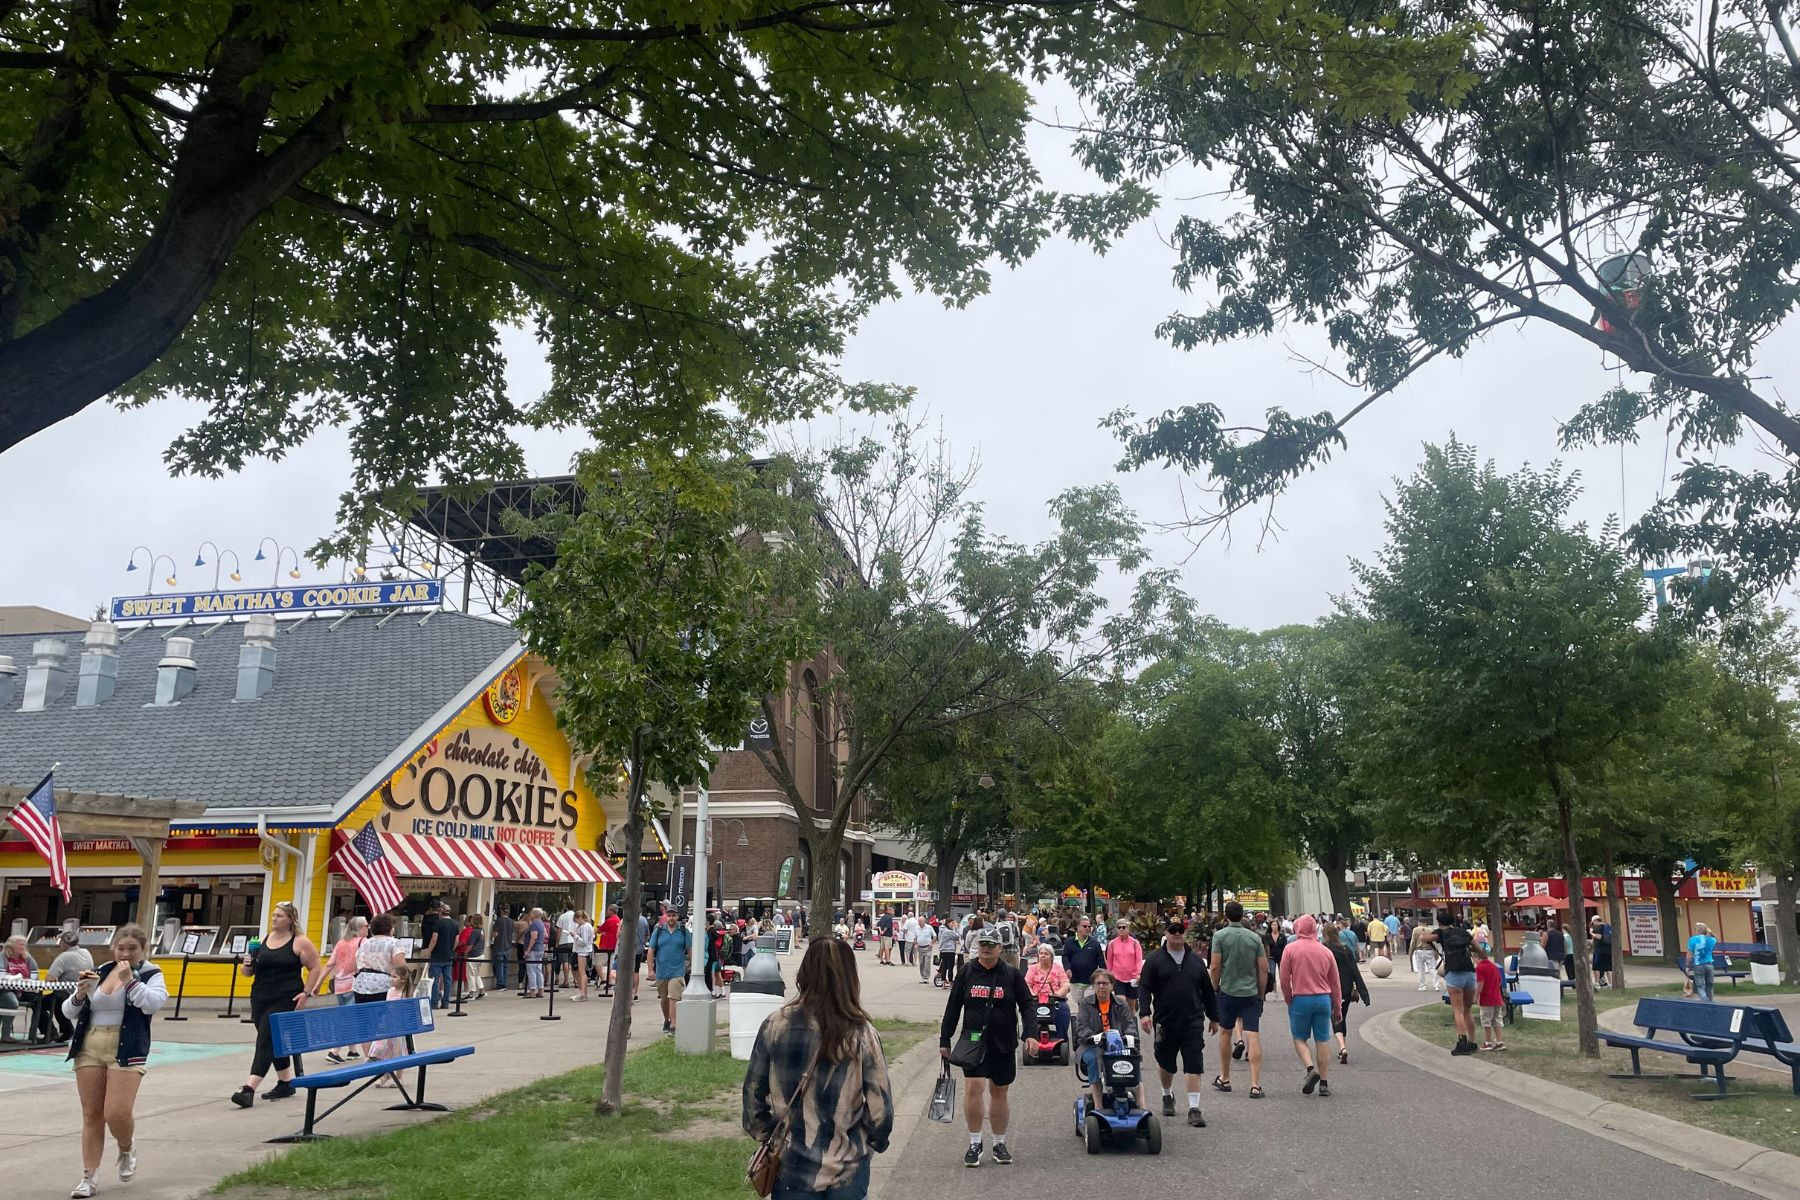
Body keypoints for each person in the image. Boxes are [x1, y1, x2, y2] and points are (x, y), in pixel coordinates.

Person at [743, 937, 893, 1200]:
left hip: (791, 1168)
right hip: (847, 1168)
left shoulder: (775, 1025)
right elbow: (880, 1111)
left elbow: (753, 1097)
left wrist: (770, 1135)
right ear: (848, 977)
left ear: (804, 973)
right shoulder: (862, 1033)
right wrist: (869, 1142)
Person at [62, 925, 167, 1198]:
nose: (126, 953)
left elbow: (153, 1004)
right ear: (113, 948)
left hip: (126, 1046)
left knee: (117, 1112)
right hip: (90, 1044)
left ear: (143, 949)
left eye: (132, 948)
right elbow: (69, 1011)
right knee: (92, 1114)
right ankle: (89, 1177)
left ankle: (126, 1146)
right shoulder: (100, 970)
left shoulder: (150, 974)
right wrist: (79, 994)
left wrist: (131, 980)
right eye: (121, 948)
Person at [939, 928, 1030, 1168]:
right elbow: (953, 1006)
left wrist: (1030, 1034)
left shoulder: (1011, 974)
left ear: (1000, 948)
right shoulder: (967, 972)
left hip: (1003, 1042)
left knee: (999, 1091)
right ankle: (975, 1142)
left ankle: (999, 1143)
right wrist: (944, 1039)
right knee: (973, 1088)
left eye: (991, 943)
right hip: (974, 1042)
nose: (986, 947)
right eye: (982, 943)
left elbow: (1027, 1005)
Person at [230, 901, 323, 1109]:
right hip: (261, 995)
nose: (274, 919)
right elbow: (248, 973)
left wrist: (306, 992)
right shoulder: (264, 940)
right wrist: (247, 965)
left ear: (290, 919)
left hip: (286, 996)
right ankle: (285, 1082)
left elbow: (315, 967)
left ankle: (249, 1089)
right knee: (272, 1041)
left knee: (266, 1037)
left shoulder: (300, 942)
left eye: (279, 916)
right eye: (273, 915)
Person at [1138, 919, 1219, 1128]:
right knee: (1166, 1063)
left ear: (1185, 933)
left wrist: (1214, 1017)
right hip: (1165, 1021)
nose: (1177, 934)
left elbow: (1208, 991)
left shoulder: (1196, 962)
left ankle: (1194, 1108)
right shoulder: (1155, 959)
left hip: (1192, 1020)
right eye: (1172, 930)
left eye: (1180, 931)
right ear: (1166, 933)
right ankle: (1167, 1095)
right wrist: (1145, 1013)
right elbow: (1144, 987)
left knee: (1193, 1062)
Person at [1209, 901, 1269, 1099]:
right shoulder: (1254, 938)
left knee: (1226, 1033)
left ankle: (1225, 1078)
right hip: (1250, 992)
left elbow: (1215, 966)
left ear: (1225, 916)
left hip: (1228, 991)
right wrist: (1261, 993)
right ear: (1243, 915)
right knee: (1253, 1035)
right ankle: (1254, 1084)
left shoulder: (1220, 936)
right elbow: (1262, 968)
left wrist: (1214, 988)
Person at [1277, 914, 1341, 1097]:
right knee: (1322, 1039)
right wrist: (1337, 1007)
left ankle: (1310, 1068)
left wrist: (1289, 998)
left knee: (1299, 1037)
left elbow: (1283, 978)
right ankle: (1324, 1083)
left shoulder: (1290, 949)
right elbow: (1335, 983)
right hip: (1323, 999)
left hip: (1301, 998)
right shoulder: (1325, 951)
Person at [1072, 967, 1143, 1116]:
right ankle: (1098, 1107)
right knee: (1095, 1059)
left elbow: (1129, 1025)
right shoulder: (1085, 1004)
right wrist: (1094, 1036)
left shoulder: (1121, 1004)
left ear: (1112, 985)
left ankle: (1142, 1105)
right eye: (1098, 983)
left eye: (1105, 983)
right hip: (1092, 1045)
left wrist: (1129, 1036)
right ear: (1093, 986)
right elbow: (1082, 1027)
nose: (1101, 986)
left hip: (1118, 1044)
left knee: (1133, 1060)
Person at [320, 916, 366, 1064]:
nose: (368, 928)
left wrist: (317, 984)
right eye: (365, 926)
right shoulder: (362, 942)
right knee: (350, 1019)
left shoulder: (340, 943)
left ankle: (352, 1050)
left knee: (347, 1016)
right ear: (358, 929)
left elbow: (329, 965)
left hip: (339, 984)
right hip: (354, 984)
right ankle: (334, 1050)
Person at [1435, 909, 1480, 1055]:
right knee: (1467, 1010)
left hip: (1454, 972)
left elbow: (1424, 938)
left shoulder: (1441, 933)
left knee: (1458, 1010)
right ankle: (1472, 1042)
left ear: (1439, 921)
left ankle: (1462, 1041)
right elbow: (1478, 949)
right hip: (1469, 972)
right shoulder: (1463, 932)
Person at [38, 930, 94, 1044]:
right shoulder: (86, 952)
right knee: (58, 1003)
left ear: (63, 942)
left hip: (66, 993)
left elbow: (49, 979)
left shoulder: (63, 956)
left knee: (38, 1003)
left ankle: (50, 1032)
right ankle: (67, 1030)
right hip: (83, 992)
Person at [1325, 922, 1370, 1065]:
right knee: (1342, 1016)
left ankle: (1342, 1047)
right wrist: (1363, 993)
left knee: (1334, 1017)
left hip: (1328, 988)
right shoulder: (1345, 949)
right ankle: (1342, 1046)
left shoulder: (1324, 949)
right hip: (1345, 987)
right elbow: (1354, 971)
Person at [352, 914, 408, 1007]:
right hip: (383, 985)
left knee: (364, 1018)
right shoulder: (394, 943)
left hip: (360, 985)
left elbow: (356, 965)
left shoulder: (365, 943)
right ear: (390, 928)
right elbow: (401, 969)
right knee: (381, 1017)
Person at [650, 908, 690, 1036]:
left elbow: (690, 950)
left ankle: (674, 1024)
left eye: (674, 915)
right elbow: (651, 951)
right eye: (669, 915)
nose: (671, 918)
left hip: (677, 970)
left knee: (674, 997)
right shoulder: (659, 931)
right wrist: (650, 970)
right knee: (664, 999)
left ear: (678, 916)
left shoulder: (684, 931)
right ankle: (667, 1019)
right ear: (665, 916)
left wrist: (692, 967)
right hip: (662, 970)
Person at [1024, 942, 1072, 1047]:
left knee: (1063, 1010)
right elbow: (1026, 984)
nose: (1043, 955)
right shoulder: (1033, 968)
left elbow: (1065, 985)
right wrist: (1032, 994)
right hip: (1036, 999)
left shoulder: (1058, 968)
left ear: (1051, 956)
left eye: (1046, 953)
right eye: (1041, 953)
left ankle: (1061, 1039)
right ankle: (1029, 1037)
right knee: (1026, 1011)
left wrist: (1057, 994)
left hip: (1054, 999)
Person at [423, 903, 460, 1010]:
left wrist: (429, 951)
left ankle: (434, 1002)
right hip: (448, 955)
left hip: (437, 955)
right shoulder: (455, 923)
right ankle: (446, 1002)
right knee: (447, 979)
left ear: (440, 912)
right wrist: (451, 950)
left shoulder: (438, 923)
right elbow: (457, 940)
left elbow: (434, 939)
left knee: (435, 979)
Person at [0, 934, 35, 1042]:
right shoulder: (3, 956)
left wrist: (31, 980)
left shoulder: (27, 957)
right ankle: (6, 1034)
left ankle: (36, 1035)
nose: (23, 947)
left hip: (22, 990)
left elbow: (35, 971)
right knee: (11, 1002)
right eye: (20, 944)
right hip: (4, 989)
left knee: (39, 1001)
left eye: (24, 944)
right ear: (11, 945)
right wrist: (14, 978)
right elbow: (1, 975)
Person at [1064, 915, 1103, 1005]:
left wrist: (1103, 976)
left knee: (1088, 1004)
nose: (1087, 928)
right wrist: (1067, 968)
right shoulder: (1069, 942)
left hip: (1090, 981)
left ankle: (1087, 1019)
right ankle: (1083, 1018)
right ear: (1078, 927)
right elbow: (1065, 957)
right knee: (1079, 1003)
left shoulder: (1095, 943)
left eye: (1089, 926)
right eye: (1085, 926)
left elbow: (1101, 961)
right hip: (1075, 980)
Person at [1475, 944, 1507, 1050]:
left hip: (1486, 999)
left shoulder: (1479, 968)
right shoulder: (1493, 966)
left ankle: (1487, 1042)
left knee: (1486, 1020)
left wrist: (1476, 996)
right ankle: (1499, 1041)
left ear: (1476, 957)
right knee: (1497, 1019)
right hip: (1497, 997)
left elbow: (1480, 983)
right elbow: (1499, 981)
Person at [1105, 917, 1144, 1003]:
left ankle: (1132, 1016)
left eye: (1123, 927)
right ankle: (1122, 1016)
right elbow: (1109, 961)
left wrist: (1139, 974)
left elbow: (1139, 960)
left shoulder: (1134, 943)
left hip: (1132, 978)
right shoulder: (1112, 943)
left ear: (1128, 928)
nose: (1121, 929)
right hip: (1117, 978)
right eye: (1119, 927)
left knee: (1131, 1003)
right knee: (1121, 1002)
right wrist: (1109, 975)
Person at [1688, 921, 1719, 1002]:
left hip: (1698, 965)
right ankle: (1711, 1002)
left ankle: (1705, 1000)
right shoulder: (1711, 940)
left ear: (1697, 931)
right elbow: (1715, 938)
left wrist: (1687, 966)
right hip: (1709, 965)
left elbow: (1689, 955)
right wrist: (1710, 932)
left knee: (1700, 986)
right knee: (1710, 985)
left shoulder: (1693, 940)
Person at [523, 907, 549, 999]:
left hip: (533, 949)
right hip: (540, 948)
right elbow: (545, 935)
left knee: (531, 970)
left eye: (531, 913)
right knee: (538, 969)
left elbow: (534, 937)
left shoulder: (534, 924)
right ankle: (540, 990)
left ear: (534, 914)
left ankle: (532, 991)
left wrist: (528, 950)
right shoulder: (541, 923)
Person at [460, 913, 487, 1000]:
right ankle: (481, 991)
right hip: (481, 954)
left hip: (473, 955)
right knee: (476, 974)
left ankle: (471, 993)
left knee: (470, 975)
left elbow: (470, 945)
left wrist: (465, 953)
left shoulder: (474, 931)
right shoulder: (482, 930)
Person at [1410, 919, 1442, 992]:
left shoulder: (1415, 930)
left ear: (1419, 922)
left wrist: (1411, 951)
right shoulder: (1430, 930)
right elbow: (1435, 942)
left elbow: (1413, 941)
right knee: (1432, 968)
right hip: (1429, 950)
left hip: (1419, 950)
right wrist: (1437, 952)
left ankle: (1422, 986)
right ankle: (1436, 986)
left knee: (1421, 969)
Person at [596, 905, 621, 997]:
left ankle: (604, 980)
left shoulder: (610, 920)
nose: (607, 911)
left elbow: (599, 930)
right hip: (613, 945)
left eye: (608, 909)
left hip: (606, 945)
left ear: (611, 910)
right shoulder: (618, 920)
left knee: (598, 964)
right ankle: (609, 980)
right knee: (611, 964)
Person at [571, 910, 596, 1001]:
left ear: (580, 918)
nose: (576, 922)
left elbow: (584, 941)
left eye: (576, 920)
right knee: (578, 971)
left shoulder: (585, 927)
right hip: (580, 951)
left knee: (581, 972)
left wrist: (575, 936)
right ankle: (582, 992)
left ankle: (583, 993)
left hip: (582, 951)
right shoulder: (584, 926)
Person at [490, 907, 515, 992]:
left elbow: (495, 934)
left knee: (499, 966)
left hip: (499, 945)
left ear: (501, 911)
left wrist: (491, 938)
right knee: (505, 966)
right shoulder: (512, 922)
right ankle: (504, 983)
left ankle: (500, 984)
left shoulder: (498, 921)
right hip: (508, 946)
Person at [556, 903, 578, 988]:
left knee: (565, 962)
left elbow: (559, 930)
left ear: (566, 907)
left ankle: (566, 981)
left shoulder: (562, 916)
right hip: (574, 941)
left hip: (563, 941)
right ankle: (576, 980)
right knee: (573, 962)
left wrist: (557, 942)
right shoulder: (576, 916)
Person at [935, 916, 961, 985]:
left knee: (944, 967)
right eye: (952, 923)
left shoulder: (941, 930)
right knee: (950, 967)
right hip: (949, 951)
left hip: (943, 951)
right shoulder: (948, 931)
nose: (953, 925)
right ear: (948, 923)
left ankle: (943, 983)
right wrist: (956, 928)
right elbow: (957, 937)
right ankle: (950, 981)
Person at [912, 911, 936, 983]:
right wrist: (915, 944)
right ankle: (922, 976)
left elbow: (934, 936)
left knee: (927, 963)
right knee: (922, 963)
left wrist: (932, 943)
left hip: (928, 948)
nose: (919, 922)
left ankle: (926, 977)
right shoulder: (916, 928)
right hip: (920, 948)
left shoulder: (929, 927)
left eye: (921, 921)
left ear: (924, 921)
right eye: (919, 921)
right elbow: (915, 937)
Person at [1591, 916, 1614, 988]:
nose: (1593, 925)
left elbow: (1599, 937)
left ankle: (1597, 983)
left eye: (1593, 923)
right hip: (1608, 950)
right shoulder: (1608, 926)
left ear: (1595, 921)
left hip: (1599, 950)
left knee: (1596, 967)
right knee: (1608, 967)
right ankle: (1611, 983)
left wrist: (1591, 933)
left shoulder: (1598, 927)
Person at [1544, 920, 1568, 984]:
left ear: (1547, 925)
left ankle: (1559, 985)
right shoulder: (1560, 934)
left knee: (1555, 973)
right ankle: (1559, 984)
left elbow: (1543, 945)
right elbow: (1564, 945)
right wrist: (1564, 954)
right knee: (1557, 971)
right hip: (1560, 955)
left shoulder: (1546, 934)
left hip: (1551, 955)